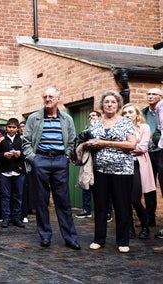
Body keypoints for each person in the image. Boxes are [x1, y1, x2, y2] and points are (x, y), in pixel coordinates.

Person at [22, 86, 80, 250]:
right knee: (41, 201)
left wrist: (67, 157)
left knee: (63, 201)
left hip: (60, 161)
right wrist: (34, 159)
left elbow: (72, 141)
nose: (47, 99)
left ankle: (70, 238)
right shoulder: (34, 118)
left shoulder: (67, 119)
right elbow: (26, 141)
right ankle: (45, 236)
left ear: (58, 99)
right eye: (45, 97)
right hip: (40, 160)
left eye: (51, 97)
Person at [84, 90, 136, 253]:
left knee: (122, 206)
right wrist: (88, 144)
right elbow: (90, 141)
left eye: (113, 102)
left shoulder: (126, 122)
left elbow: (131, 145)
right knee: (100, 206)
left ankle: (123, 241)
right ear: (102, 105)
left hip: (122, 171)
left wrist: (106, 143)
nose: (110, 104)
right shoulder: (95, 123)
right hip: (100, 170)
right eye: (107, 102)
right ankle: (99, 239)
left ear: (118, 105)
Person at [121, 103, 154, 239]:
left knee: (135, 198)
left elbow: (142, 148)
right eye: (125, 113)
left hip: (137, 164)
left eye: (130, 112)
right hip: (123, 165)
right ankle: (130, 228)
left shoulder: (144, 127)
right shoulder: (120, 128)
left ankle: (145, 226)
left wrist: (124, 147)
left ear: (136, 114)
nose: (128, 115)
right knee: (125, 199)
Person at [141, 87, 162, 227]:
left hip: (160, 152)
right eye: (148, 93)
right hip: (147, 154)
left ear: (160, 97)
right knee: (149, 187)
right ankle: (150, 219)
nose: (150, 96)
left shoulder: (161, 111)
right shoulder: (143, 113)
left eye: (154, 94)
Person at [0, 118, 26, 228]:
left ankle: (17, 218)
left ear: (17, 128)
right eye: (9, 127)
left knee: (18, 195)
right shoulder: (2, 141)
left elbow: (28, 154)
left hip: (19, 171)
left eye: (14, 127)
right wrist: (3, 155)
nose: (11, 129)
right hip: (5, 172)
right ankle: (6, 217)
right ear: (6, 128)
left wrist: (20, 153)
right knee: (5, 195)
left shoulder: (22, 141)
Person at [75, 110, 101, 219]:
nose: (91, 117)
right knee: (86, 184)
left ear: (99, 118)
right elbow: (80, 143)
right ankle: (86, 210)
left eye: (94, 115)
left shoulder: (103, 129)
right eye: (89, 116)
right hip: (88, 161)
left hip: (100, 161)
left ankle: (106, 213)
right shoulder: (86, 130)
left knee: (102, 187)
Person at [19, 120, 33, 223]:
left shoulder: (31, 138)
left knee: (27, 190)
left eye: (24, 126)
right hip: (19, 167)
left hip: (29, 167)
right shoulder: (18, 139)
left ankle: (26, 211)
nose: (22, 128)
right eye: (20, 127)